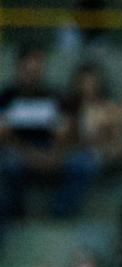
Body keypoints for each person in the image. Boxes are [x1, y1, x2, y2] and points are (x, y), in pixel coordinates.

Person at [0, 43, 98, 218]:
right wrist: (32, 156)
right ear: (19, 68)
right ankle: (16, 213)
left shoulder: (55, 97)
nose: (33, 75)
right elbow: (5, 137)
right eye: (29, 70)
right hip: (19, 153)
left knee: (86, 163)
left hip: (51, 153)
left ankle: (60, 212)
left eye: (37, 70)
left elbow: (68, 132)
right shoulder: (6, 98)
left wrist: (55, 154)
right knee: (9, 164)